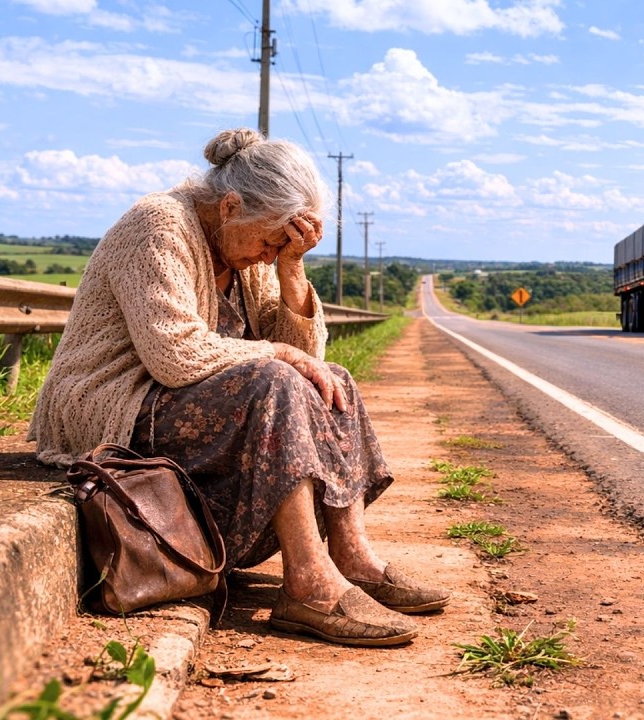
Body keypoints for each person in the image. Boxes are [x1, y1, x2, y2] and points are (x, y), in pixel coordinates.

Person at [29, 128, 448, 647]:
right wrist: (281, 353)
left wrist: (293, 269)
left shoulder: (249, 247)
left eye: (285, 247)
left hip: (179, 401)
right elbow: (175, 355)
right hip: (113, 401)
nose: (271, 255)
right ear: (230, 207)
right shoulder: (158, 225)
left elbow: (306, 357)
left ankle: (353, 557)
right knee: (275, 377)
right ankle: (307, 584)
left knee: (332, 378)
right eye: (273, 241)